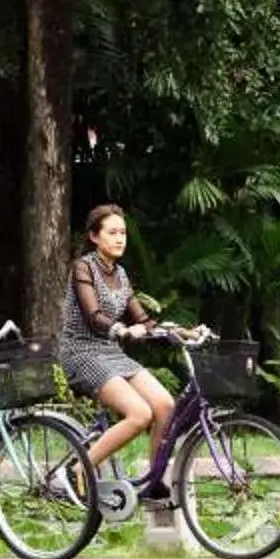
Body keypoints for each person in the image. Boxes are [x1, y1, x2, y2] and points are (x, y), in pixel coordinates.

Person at [58, 204, 176, 505]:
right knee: (139, 414)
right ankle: (77, 469)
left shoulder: (121, 274)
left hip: (110, 352)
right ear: (95, 237)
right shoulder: (83, 267)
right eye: (112, 232)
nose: (119, 238)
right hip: (81, 352)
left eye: (122, 232)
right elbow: (93, 314)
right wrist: (122, 330)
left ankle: (154, 483)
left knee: (164, 404)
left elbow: (142, 318)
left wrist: (176, 330)